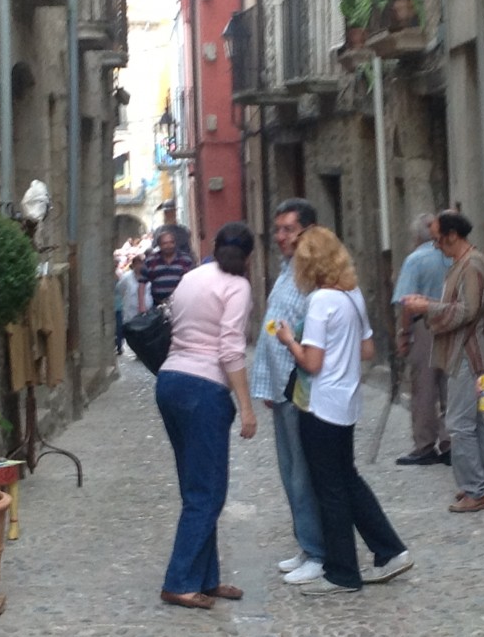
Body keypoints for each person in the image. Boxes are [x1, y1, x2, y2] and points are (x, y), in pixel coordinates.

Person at [275, 226, 412, 595]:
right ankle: (389, 549)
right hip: (347, 400)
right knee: (347, 479)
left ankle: (342, 572)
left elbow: (312, 362)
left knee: (329, 488)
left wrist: (290, 341)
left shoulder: (321, 301)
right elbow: (367, 351)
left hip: (320, 403)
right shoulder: (351, 295)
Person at [155, 222, 258, 610]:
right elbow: (231, 348)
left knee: (195, 486)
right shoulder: (238, 286)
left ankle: (206, 577)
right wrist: (246, 406)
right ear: (249, 256)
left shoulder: (192, 277)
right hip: (204, 388)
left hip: (170, 380)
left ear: (214, 246)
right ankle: (179, 581)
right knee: (209, 491)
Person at [401, 210, 484, 513]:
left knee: (459, 423)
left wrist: (428, 308)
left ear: (452, 235)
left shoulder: (472, 265)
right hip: (465, 350)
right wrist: (431, 305)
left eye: (438, 240)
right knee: (473, 423)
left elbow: (467, 310)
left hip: (468, 352)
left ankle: (477, 489)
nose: (436, 246)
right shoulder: (465, 263)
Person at [250, 199, 326, 585]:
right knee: (289, 470)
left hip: (302, 389)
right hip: (281, 390)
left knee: (304, 473)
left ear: (307, 232)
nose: (280, 236)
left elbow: (307, 336)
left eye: (287, 230)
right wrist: (266, 384)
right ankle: (306, 545)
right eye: (277, 229)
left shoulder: (312, 277)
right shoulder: (286, 271)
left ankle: (318, 552)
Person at [391, 213, 452, 466]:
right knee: (450, 385)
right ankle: (451, 442)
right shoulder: (452, 256)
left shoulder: (415, 260)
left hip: (425, 326)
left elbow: (407, 302)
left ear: (416, 236)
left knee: (424, 388)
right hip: (452, 323)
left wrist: (404, 334)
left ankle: (425, 445)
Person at [138, 229, 195, 313]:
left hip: (182, 306)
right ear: (159, 245)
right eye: (165, 243)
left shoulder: (185, 260)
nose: (169, 245)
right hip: (158, 306)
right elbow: (142, 284)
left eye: (171, 242)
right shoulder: (151, 261)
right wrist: (141, 306)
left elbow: (193, 282)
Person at [115, 255, 149, 354]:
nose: (139, 266)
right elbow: (120, 289)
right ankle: (137, 349)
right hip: (131, 309)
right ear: (133, 265)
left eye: (141, 263)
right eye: (137, 264)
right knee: (134, 331)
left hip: (147, 309)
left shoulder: (149, 274)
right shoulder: (126, 277)